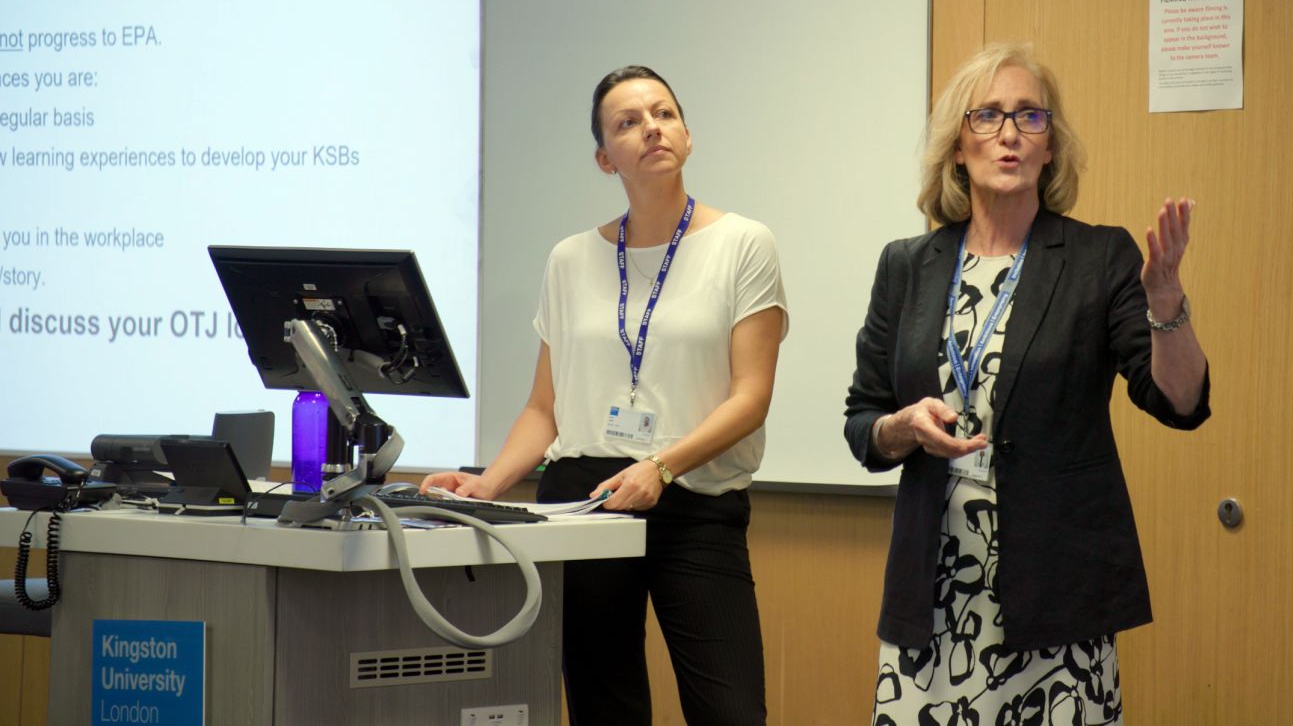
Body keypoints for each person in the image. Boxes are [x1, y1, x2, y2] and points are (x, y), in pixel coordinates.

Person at [843, 43, 1210, 724]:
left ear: (1051, 148)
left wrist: (1166, 308)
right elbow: (862, 421)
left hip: (1056, 593)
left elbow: (1180, 401)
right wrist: (901, 429)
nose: (1009, 133)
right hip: (933, 595)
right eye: (986, 116)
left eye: (1029, 117)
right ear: (957, 146)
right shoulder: (907, 266)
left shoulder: (1100, 258)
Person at [422, 65, 788, 725]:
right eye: (628, 121)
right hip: (584, 502)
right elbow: (545, 407)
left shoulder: (743, 244)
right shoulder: (570, 259)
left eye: (665, 113)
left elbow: (751, 396)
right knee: (604, 709)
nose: (652, 127)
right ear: (603, 158)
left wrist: (662, 465)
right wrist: (491, 482)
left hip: (694, 498)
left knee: (732, 711)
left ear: (688, 133)